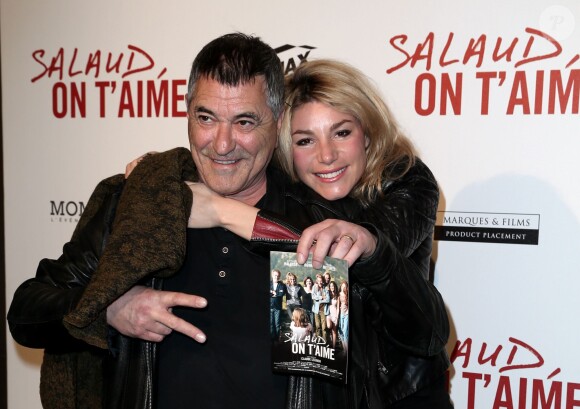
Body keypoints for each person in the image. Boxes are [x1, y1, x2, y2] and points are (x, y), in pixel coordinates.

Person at [148, 59, 453, 408]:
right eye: (305, 140)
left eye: (341, 133)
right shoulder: (292, 191)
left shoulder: (406, 181)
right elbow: (230, 159)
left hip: (402, 393)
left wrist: (223, 212)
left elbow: (353, 249)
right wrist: (158, 170)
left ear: (367, 133)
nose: (326, 156)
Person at [311, 272, 330, 343]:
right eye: (318, 281)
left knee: (324, 327)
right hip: (316, 310)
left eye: (321, 281)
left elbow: (328, 299)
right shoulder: (314, 287)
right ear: (317, 281)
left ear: (323, 281)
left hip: (323, 310)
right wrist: (321, 297)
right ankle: (319, 340)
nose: (320, 282)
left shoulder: (325, 288)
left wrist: (318, 300)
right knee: (318, 326)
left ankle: (324, 341)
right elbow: (313, 296)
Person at [271, 269, 286, 340]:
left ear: (279, 276)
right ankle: (271, 339)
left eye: (278, 275)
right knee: (271, 324)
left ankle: (276, 340)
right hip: (269, 306)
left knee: (277, 324)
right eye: (275, 275)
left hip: (278, 308)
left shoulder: (282, 285)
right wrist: (275, 293)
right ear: (272, 275)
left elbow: (281, 293)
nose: (276, 277)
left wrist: (274, 293)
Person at [326, 281, 340, 348]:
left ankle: (334, 347)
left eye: (333, 286)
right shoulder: (328, 294)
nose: (332, 287)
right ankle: (329, 341)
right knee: (329, 326)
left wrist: (337, 317)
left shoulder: (337, 296)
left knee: (334, 331)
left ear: (335, 287)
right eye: (330, 286)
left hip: (334, 314)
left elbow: (338, 308)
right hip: (328, 313)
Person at [338, 280, 349, 349]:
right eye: (342, 286)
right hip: (341, 314)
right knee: (340, 331)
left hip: (346, 314)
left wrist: (347, 312)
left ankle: (347, 349)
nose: (343, 287)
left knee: (345, 331)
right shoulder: (339, 294)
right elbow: (338, 304)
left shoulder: (347, 294)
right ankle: (344, 348)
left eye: (345, 286)